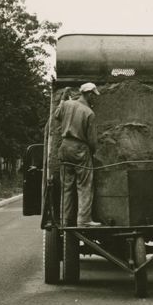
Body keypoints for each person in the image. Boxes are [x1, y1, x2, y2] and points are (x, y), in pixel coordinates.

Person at [53, 82, 102, 226]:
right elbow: (92, 140)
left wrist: (62, 98)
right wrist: (92, 152)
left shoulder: (67, 104)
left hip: (64, 146)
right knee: (84, 185)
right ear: (88, 94)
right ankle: (84, 220)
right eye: (94, 95)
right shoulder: (89, 113)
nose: (95, 98)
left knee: (66, 186)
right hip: (80, 148)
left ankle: (64, 219)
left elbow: (56, 115)